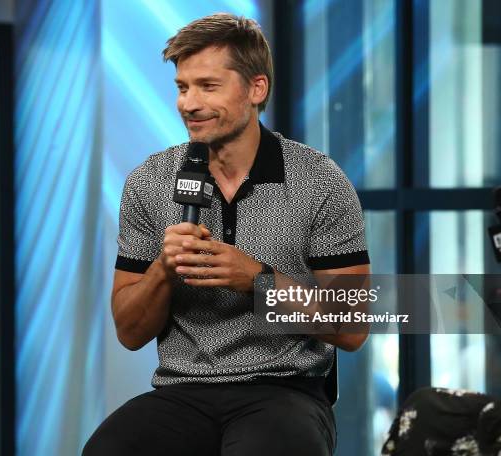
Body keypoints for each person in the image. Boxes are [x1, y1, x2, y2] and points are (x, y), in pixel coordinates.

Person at [83, 13, 370, 456]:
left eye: (208, 86)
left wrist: (256, 280)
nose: (188, 103)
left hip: (285, 389)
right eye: (182, 88)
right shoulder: (150, 181)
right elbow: (130, 332)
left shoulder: (319, 180)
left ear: (257, 89)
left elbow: (352, 326)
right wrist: (163, 269)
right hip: (183, 390)